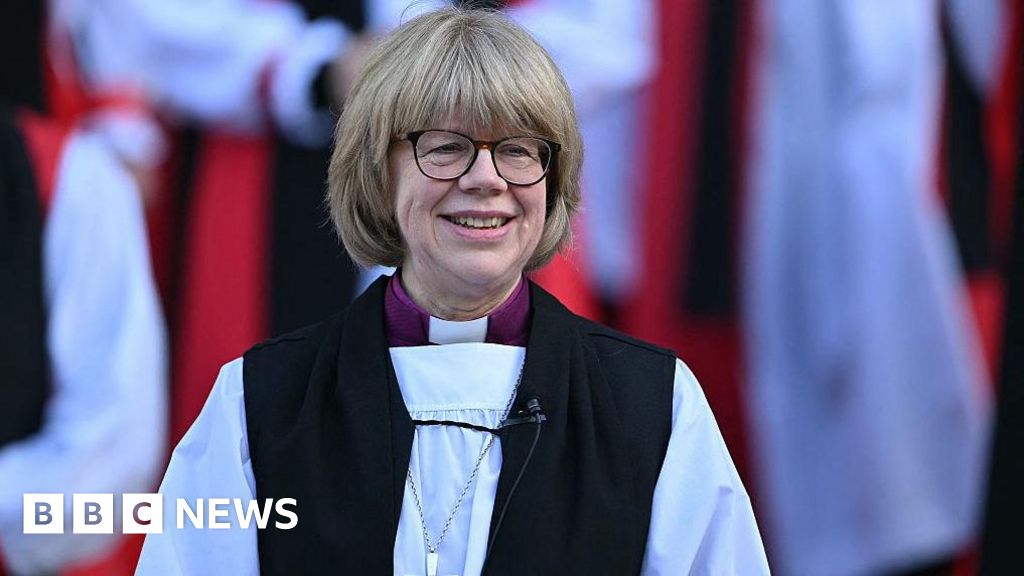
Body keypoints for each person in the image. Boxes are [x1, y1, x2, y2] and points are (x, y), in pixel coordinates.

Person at [137, 8, 769, 575]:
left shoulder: (651, 404)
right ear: (377, 174)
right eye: (445, 148)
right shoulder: (260, 403)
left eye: (518, 150)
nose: (486, 179)